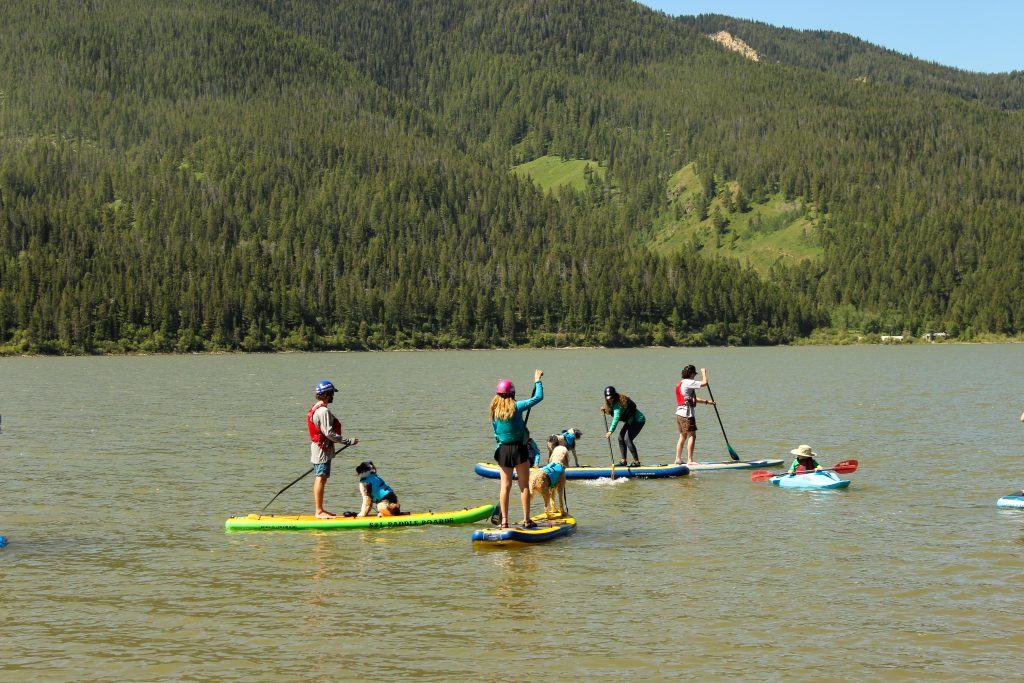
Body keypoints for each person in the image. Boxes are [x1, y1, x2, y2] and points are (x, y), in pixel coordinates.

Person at [489, 369, 544, 529]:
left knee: (505, 486)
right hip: (519, 450)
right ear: (512, 394)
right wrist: (537, 380)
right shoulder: (517, 406)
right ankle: (527, 520)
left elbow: (496, 433)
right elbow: (538, 397)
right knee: (524, 486)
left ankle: (504, 522)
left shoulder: (494, 411)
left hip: (503, 451)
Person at [308, 379, 359, 518]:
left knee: (321, 478)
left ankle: (320, 510)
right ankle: (319, 511)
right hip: (321, 450)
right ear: (326, 394)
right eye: (331, 393)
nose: (333, 396)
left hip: (320, 449)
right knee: (321, 478)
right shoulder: (323, 411)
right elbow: (329, 433)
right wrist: (348, 441)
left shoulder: (316, 408)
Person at [674, 365, 715, 465]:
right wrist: (704, 372)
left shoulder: (681, 383)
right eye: (694, 374)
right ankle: (690, 460)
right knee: (692, 435)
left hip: (679, 414)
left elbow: (692, 399)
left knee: (682, 436)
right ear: (691, 374)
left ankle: (678, 459)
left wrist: (707, 402)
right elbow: (705, 383)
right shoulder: (689, 382)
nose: (694, 376)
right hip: (687, 414)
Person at [602, 386, 646, 466]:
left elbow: (616, 418)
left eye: (611, 398)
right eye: (608, 398)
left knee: (627, 439)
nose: (609, 400)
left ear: (614, 396)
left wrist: (610, 431)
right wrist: (605, 409)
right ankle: (623, 461)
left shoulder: (618, 405)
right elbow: (611, 409)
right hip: (630, 420)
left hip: (638, 420)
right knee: (620, 438)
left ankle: (636, 461)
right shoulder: (612, 403)